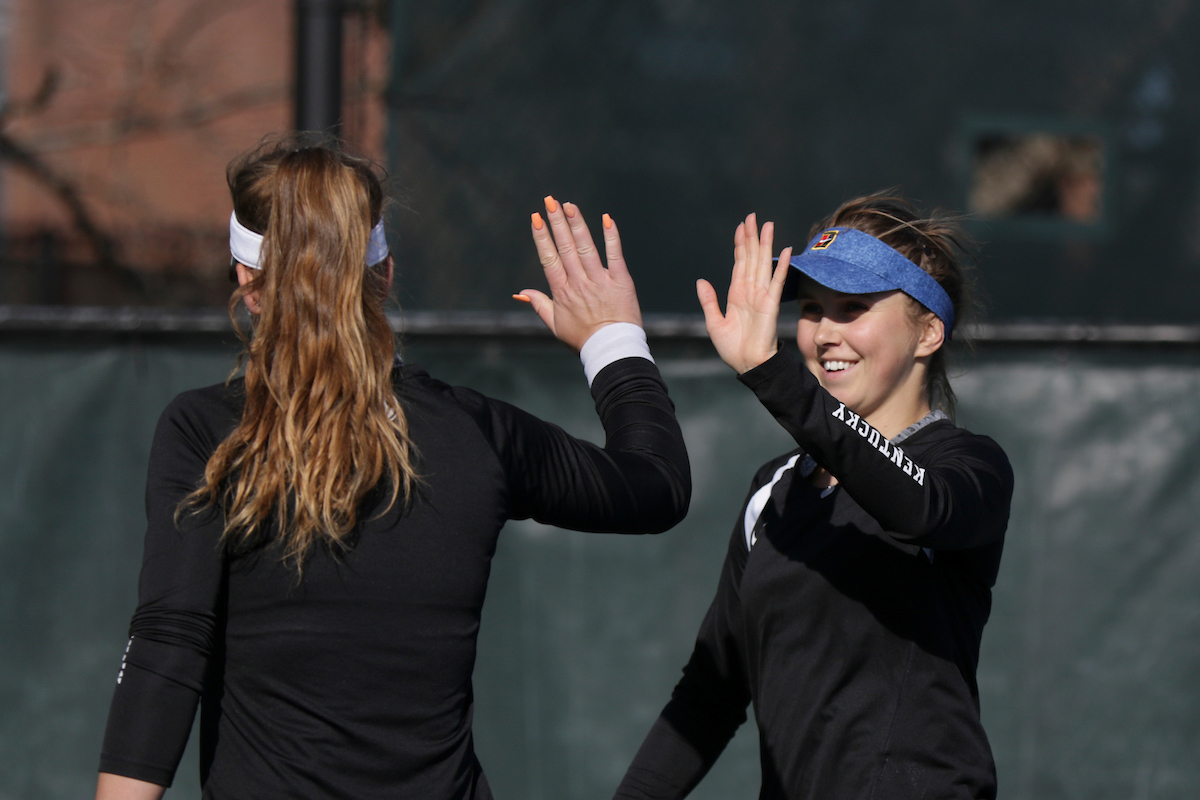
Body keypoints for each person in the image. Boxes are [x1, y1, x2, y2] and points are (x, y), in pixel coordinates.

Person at [94, 136, 690, 800]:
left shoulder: (206, 432)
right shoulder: (475, 432)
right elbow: (656, 486)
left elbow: (167, 648)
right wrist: (613, 338)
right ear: (385, 275)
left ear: (248, 282)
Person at [613, 194, 1014, 800]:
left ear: (929, 331)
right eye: (810, 309)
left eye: (852, 308)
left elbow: (919, 507)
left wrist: (773, 374)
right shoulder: (774, 490)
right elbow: (711, 691)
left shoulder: (966, 467)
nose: (825, 332)